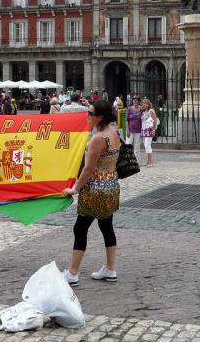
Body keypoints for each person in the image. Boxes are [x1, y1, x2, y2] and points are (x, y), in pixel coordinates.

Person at [62, 100, 120, 286]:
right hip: (111, 186)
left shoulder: (98, 139)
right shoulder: (114, 133)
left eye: (90, 112)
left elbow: (88, 169)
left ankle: (72, 273)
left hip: (95, 189)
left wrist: (75, 189)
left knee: (80, 228)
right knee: (106, 226)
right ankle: (110, 268)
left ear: (100, 117)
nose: (87, 115)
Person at [140, 98, 158, 168]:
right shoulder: (143, 112)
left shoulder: (151, 111)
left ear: (148, 104)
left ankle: (151, 162)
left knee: (147, 145)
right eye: (143, 103)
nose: (144, 104)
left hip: (149, 130)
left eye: (145, 103)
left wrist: (154, 129)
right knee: (145, 145)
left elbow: (155, 120)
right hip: (144, 130)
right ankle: (148, 161)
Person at [126, 97, 142, 161]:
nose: (135, 102)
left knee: (137, 146)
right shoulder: (129, 109)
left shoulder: (141, 109)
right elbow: (126, 120)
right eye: (134, 101)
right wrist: (127, 130)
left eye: (136, 101)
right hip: (130, 130)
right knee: (128, 144)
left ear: (138, 102)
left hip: (138, 130)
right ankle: (128, 160)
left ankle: (136, 161)